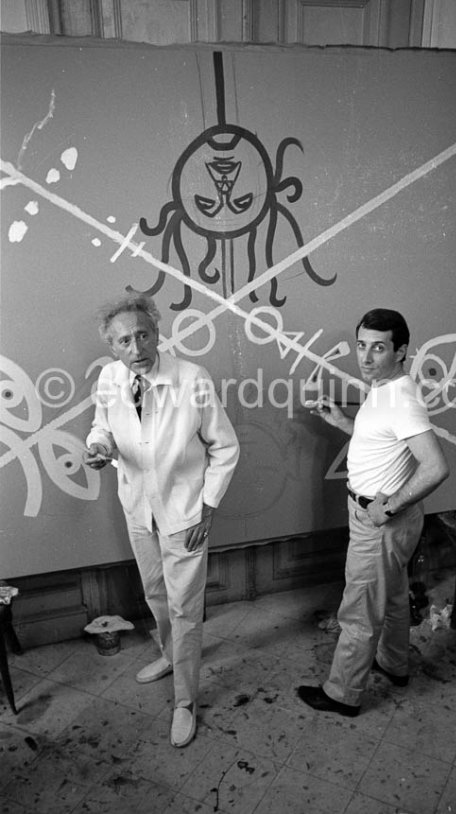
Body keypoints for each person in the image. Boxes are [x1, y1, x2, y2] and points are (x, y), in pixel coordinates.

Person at [83, 292, 239, 746]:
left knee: (185, 609)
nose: (136, 348)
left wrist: (206, 508)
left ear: (157, 332)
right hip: (138, 509)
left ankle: (186, 700)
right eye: (124, 341)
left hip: (186, 513)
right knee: (155, 592)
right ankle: (172, 656)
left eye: (143, 335)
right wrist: (100, 447)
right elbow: (102, 425)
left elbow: (225, 447)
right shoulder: (111, 378)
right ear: (112, 347)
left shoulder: (193, 378)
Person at [298, 308, 449, 717]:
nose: (365, 357)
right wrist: (344, 422)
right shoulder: (384, 387)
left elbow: (436, 467)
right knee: (395, 595)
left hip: (380, 522)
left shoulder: (401, 400)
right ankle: (394, 663)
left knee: (360, 609)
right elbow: (383, 441)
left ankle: (342, 693)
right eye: (361, 345)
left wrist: (390, 507)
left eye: (378, 348)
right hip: (390, 522)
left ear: (401, 350)